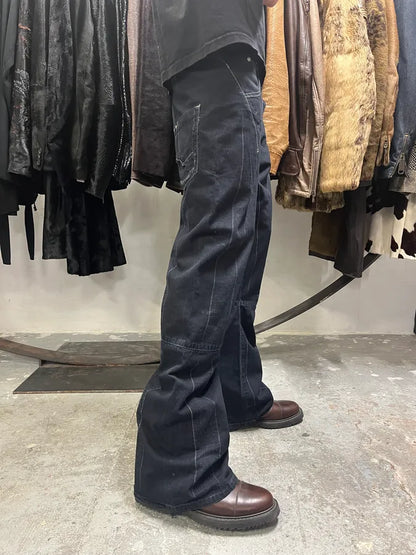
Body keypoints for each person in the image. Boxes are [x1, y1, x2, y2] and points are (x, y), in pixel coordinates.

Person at [134, 0, 303, 532]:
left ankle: (235, 392)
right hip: (210, 42)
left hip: (234, 47)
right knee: (217, 239)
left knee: (247, 231)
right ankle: (180, 464)